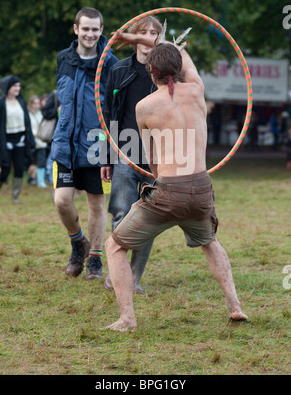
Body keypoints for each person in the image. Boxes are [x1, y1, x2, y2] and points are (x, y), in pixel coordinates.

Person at [104, 31, 248, 331]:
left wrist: (161, 184)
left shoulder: (144, 107)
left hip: (168, 192)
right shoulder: (196, 91)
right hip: (201, 188)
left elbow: (152, 159)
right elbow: (183, 59)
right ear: (178, 69)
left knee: (114, 247)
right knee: (210, 242)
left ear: (150, 72)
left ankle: (127, 319)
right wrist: (163, 43)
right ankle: (234, 305)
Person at [51, 7, 118, 280]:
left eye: (95, 29)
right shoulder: (63, 59)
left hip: (96, 145)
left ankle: (95, 259)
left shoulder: (111, 64)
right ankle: (78, 243)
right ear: (76, 29)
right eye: (85, 28)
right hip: (65, 144)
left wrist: (110, 150)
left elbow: (113, 108)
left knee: (96, 206)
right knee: (61, 201)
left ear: (101, 31)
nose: (90, 33)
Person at [101, 16, 162, 293]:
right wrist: (106, 156)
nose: (149, 37)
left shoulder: (167, 75)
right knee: (121, 215)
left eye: (154, 33)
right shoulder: (118, 71)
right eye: (143, 32)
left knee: (148, 221)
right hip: (125, 155)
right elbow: (109, 115)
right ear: (134, 37)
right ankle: (116, 276)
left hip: (157, 161)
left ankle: (134, 278)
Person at [0, 75, 35, 204]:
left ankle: (15, 197)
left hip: (20, 140)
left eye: (19, 86)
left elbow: (27, 122)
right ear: (7, 87)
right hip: (5, 141)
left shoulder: (21, 100)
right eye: (15, 86)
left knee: (20, 168)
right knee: (4, 170)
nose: (18, 88)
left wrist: (30, 140)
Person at [27, 95, 48, 188]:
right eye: (34, 103)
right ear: (31, 104)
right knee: (30, 162)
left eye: (38, 103)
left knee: (41, 162)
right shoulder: (28, 114)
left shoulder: (41, 114)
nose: (36, 105)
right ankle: (31, 178)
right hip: (32, 142)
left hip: (41, 142)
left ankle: (40, 181)